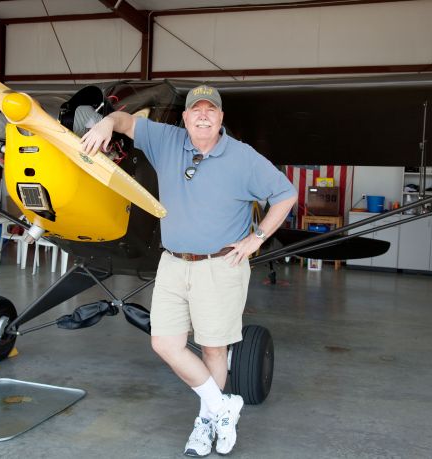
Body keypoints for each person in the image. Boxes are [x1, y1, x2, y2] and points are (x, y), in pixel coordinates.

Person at [81, 85, 297, 457]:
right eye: (195, 109)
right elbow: (126, 121)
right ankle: (221, 406)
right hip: (173, 262)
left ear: (220, 118)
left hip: (220, 266)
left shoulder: (243, 158)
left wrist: (256, 239)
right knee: (164, 342)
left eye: (209, 110)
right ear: (184, 117)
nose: (202, 115)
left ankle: (206, 421)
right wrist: (105, 125)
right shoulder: (167, 140)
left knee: (214, 349)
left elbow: (285, 194)